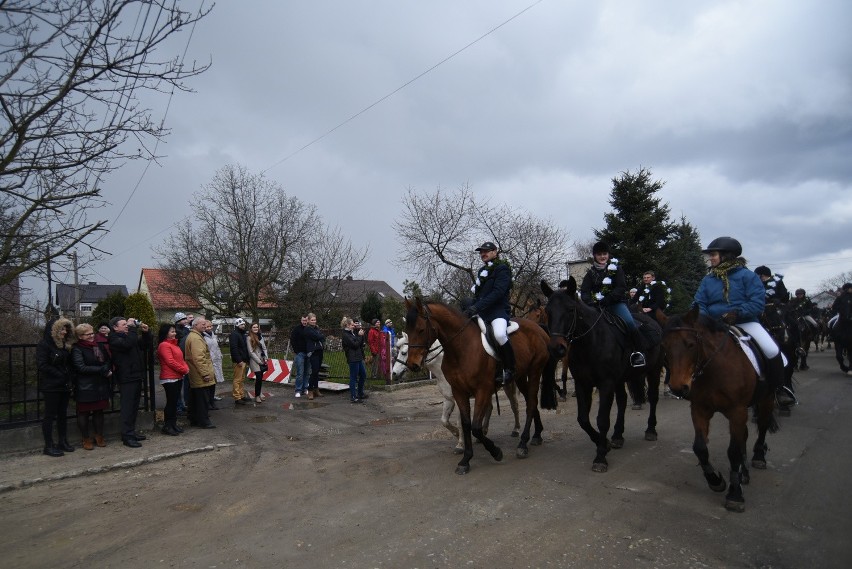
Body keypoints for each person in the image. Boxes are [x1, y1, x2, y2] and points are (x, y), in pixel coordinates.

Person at [693, 236, 784, 389]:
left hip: (745, 322)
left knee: (771, 349)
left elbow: (756, 303)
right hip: (713, 324)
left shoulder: (748, 276)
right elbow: (698, 302)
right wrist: (703, 317)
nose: (710, 259)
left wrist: (736, 313)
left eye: (713, 255)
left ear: (726, 255)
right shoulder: (708, 279)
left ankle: (780, 388)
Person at [579, 241, 646, 367]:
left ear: (608, 255)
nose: (603, 257)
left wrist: (608, 299)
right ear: (595, 256)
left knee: (630, 323)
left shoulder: (616, 269)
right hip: (597, 307)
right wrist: (590, 302)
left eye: (605, 254)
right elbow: (585, 291)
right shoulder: (591, 273)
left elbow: (621, 287)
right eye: (599, 254)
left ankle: (638, 353)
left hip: (615, 304)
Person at [463, 241, 515, 384]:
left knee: (499, 334)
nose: (483, 254)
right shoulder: (482, 271)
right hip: (483, 312)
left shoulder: (502, 268)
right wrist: (470, 306)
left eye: (486, 251)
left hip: (498, 311)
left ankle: (509, 368)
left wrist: (477, 307)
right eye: (481, 252)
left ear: (495, 252)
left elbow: (498, 293)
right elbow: (479, 295)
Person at [108, 316, 151, 448]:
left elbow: (144, 345)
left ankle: (131, 432)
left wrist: (145, 333)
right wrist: (133, 329)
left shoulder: (129, 337)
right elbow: (127, 345)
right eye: (124, 324)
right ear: (115, 327)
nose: (127, 326)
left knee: (134, 407)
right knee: (127, 408)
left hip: (136, 375)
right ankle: (127, 436)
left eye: (127, 324)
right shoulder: (114, 338)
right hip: (126, 377)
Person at [36, 318, 75, 457]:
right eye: (62, 329)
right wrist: (59, 375)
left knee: (63, 415)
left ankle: (62, 442)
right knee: (50, 415)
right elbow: (42, 365)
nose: (65, 332)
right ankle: (49, 445)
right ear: (54, 330)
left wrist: (68, 376)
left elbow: (68, 364)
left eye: (66, 329)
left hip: (64, 385)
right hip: (51, 385)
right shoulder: (44, 344)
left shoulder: (64, 345)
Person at [71, 323, 112, 450]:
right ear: (80, 336)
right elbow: (80, 367)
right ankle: (85, 438)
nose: (91, 336)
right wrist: (101, 370)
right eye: (88, 334)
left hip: (100, 384)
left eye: (92, 333)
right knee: (83, 413)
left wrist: (106, 368)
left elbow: (107, 360)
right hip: (85, 386)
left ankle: (99, 436)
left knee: (99, 412)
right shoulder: (77, 348)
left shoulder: (98, 345)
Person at [156, 323, 188, 436]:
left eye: (174, 331)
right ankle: (168, 425)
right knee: (171, 402)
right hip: (169, 378)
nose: (174, 333)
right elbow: (170, 362)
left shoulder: (175, 344)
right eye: (172, 331)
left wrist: (185, 368)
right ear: (166, 333)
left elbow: (181, 359)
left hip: (177, 376)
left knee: (174, 402)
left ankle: (173, 424)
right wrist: (183, 370)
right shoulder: (164, 345)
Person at [184, 318, 216, 428]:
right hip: (199, 375)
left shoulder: (195, 336)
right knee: (202, 399)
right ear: (195, 325)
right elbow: (199, 358)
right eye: (203, 324)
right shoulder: (196, 339)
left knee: (195, 398)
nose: (204, 326)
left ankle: (194, 419)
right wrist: (205, 373)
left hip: (195, 373)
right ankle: (204, 421)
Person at [341, 317, 368, 403]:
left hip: (358, 357)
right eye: (352, 325)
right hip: (352, 358)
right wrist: (359, 337)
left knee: (363, 375)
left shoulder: (352, 333)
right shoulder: (345, 335)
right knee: (353, 377)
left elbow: (359, 343)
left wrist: (360, 337)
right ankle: (353, 396)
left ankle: (360, 393)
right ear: (348, 325)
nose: (354, 326)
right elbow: (355, 344)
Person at [229, 318, 251, 406]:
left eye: (244, 324)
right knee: (237, 379)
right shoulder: (234, 334)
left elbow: (244, 348)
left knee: (242, 379)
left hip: (243, 360)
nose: (243, 326)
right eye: (241, 324)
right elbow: (234, 349)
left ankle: (241, 395)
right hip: (239, 361)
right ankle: (237, 397)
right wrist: (239, 360)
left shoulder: (242, 334)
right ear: (237, 325)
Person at [303, 313, 325, 400]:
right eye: (312, 320)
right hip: (313, 352)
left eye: (315, 320)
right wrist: (320, 336)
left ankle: (316, 388)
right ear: (308, 321)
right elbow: (317, 337)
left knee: (317, 371)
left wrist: (320, 336)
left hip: (319, 351)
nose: (314, 321)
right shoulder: (307, 329)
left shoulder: (316, 328)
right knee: (314, 371)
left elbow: (321, 337)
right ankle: (310, 390)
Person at [203, 320, 225, 407]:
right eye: (207, 327)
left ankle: (212, 398)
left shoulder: (213, 335)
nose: (209, 328)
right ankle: (208, 401)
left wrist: (220, 354)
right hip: (209, 361)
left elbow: (216, 347)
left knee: (214, 381)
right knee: (209, 382)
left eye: (210, 326)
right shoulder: (203, 336)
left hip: (216, 360)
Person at [174, 312, 191, 415]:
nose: (185, 320)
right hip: (180, 358)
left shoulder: (186, 329)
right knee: (178, 385)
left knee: (185, 383)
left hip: (185, 358)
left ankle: (183, 404)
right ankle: (178, 406)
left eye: (185, 319)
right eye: (183, 319)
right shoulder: (177, 331)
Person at [246, 322, 269, 404]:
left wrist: (266, 358)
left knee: (260, 378)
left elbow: (264, 348)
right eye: (254, 327)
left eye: (256, 327)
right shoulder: (249, 338)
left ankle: (259, 393)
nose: (255, 328)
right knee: (258, 377)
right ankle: (257, 396)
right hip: (255, 361)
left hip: (262, 359)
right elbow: (251, 352)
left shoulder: (260, 336)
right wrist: (259, 361)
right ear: (251, 329)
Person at [290, 315, 310, 398]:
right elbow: (292, 340)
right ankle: (298, 390)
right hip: (300, 353)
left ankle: (305, 388)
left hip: (309, 353)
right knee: (300, 373)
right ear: (301, 320)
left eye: (306, 320)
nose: (304, 322)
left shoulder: (309, 329)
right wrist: (296, 351)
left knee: (307, 372)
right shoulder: (297, 329)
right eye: (303, 320)